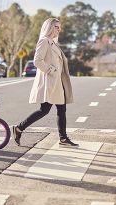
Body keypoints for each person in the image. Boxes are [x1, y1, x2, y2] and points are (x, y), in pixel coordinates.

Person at [12, 18, 78, 147]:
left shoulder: (53, 43)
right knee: (44, 110)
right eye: (56, 27)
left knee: (61, 109)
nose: (59, 30)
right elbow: (37, 61)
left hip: (58, 82)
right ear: (49, 27)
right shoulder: (44, 41)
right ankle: (19, 128)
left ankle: (63, 138)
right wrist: (51, 70)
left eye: (59, 27)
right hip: (50, 82)